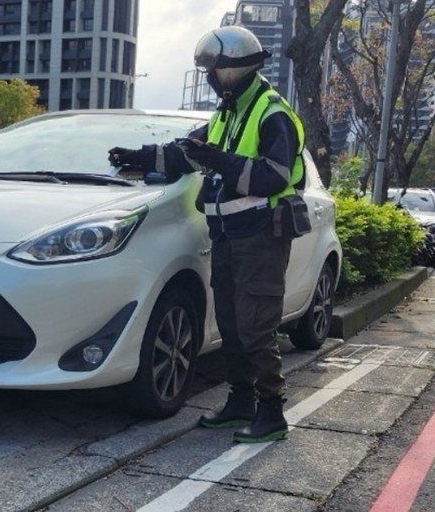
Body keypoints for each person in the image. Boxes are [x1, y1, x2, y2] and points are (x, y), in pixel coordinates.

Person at [108, 26, 306, 443]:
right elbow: (189, 151)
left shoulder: (272, 114)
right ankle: (240, 402)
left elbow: (275, 176)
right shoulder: (228, 113)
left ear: (235, 69)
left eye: (214, 71)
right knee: (232, 323)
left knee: (256, 325)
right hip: (230, 233)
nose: (210, 79)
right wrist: (139, 157)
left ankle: (271, 413)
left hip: (262, 236)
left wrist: (223, 161)